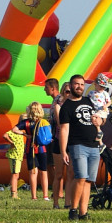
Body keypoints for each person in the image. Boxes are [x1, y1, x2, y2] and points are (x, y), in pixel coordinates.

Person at [59, 74, 103, 221]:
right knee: (80, 177)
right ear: (70, 86)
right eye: (76, 84)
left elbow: (99, 118)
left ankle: (83, 212)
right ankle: (73, 209)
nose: (79, 87)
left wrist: (100, 121)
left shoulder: (89, 101)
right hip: (77, 145)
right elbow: (64, 130)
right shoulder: (66, 106)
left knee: (89, 180)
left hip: (94, 144)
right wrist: (63, 150)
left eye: (82, 84)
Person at [16, 102, 51, 201]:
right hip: (42, 148)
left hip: (30, 148)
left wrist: (25, 135)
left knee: (32, 172)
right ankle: (45, 196)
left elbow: (14, 129)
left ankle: (34, 196)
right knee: (43, 172)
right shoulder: (43, 121)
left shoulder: (26, 122)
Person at [47, 80, 70, 209]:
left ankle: (68, 202)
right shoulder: (58, 105)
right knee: (59, 173)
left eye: (70, 91)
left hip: (72, 141)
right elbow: (61, 123)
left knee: (71, 174)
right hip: (58, 139)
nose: (68, 93)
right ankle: (56, 202)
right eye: (66, 91)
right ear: (62, 92)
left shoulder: (74, 105)